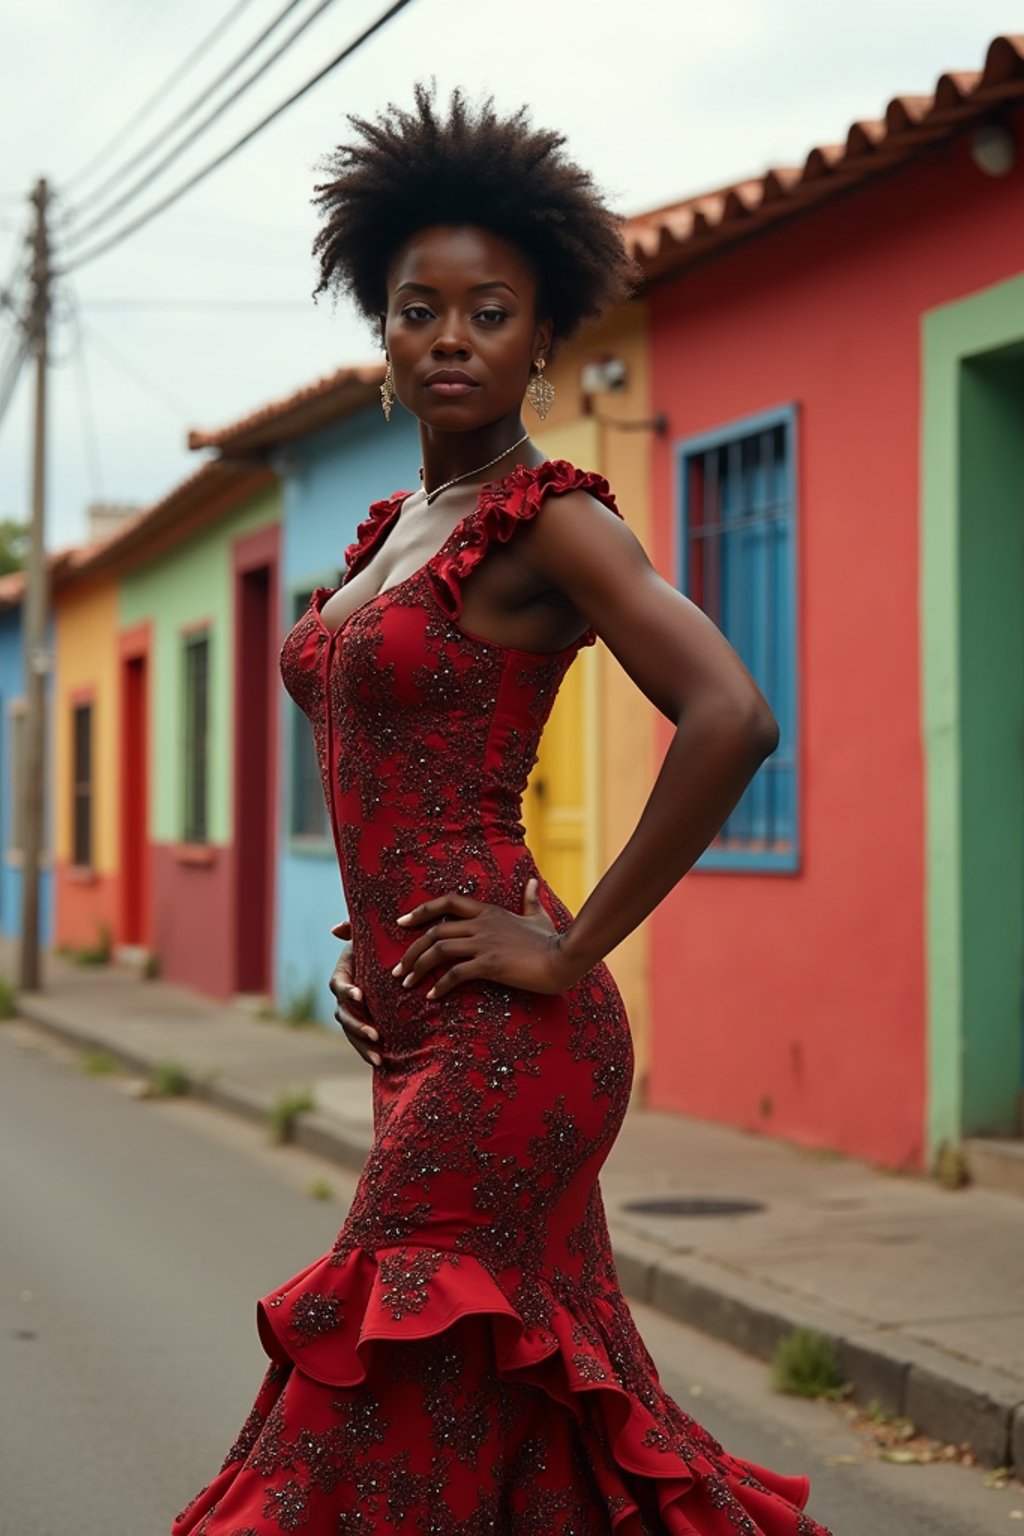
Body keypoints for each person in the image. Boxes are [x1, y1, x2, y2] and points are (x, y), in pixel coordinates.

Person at [171, 81, 835, 1536]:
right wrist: (372, 953)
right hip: (420, 1028)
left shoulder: (555, 520)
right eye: (421, 310)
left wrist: (566, 949)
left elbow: (733, 716)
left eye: (491, 312)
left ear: (543, 336)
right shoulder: (389, 534)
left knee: (365, 1396)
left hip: (516, 1037)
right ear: (384, 331)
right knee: (515, 1417)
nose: (452, 338)